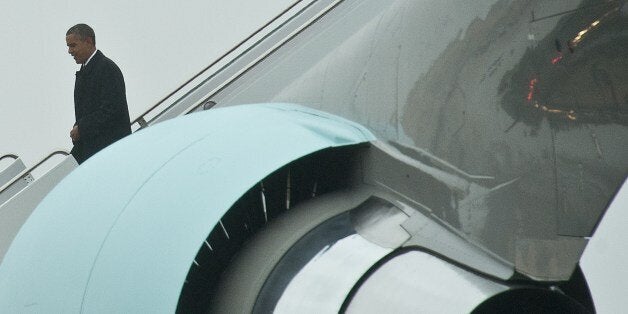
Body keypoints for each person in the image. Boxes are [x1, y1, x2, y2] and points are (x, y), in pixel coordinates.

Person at [65, 24, 131, 164]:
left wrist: (81, 128)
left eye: (73, 45)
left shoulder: (106, 69)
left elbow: (113, 109)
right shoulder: (86, 70)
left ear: (88, 42)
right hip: (92, 149)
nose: (69, 51)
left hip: (109, 150)